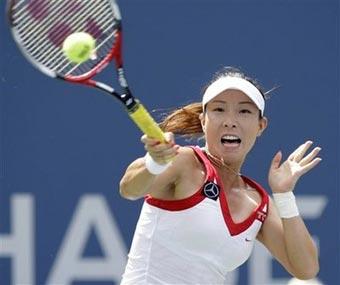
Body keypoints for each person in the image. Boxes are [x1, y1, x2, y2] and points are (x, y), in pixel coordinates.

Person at [119, 67, 321, 284]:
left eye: (244, 111)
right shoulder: (186, 162)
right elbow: (129, 188)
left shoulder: (258, 203)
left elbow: (306, 269)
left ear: (261, 125)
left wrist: (284, 195)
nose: (230, 121)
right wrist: (154, 163)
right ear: (203, 121)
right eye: (219, 110)